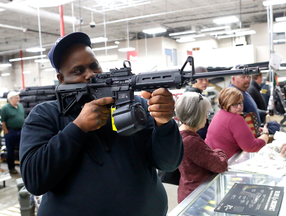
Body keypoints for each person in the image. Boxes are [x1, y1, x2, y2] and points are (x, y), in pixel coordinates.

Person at [19, 32, 183, 216]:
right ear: (62, 79)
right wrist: (78, 128)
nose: (90, 74)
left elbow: (169, 163)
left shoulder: (135, 104)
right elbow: (35, 181)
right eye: (78, 71)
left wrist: (164, 123)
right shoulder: (45, 114)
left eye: (94, 65)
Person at [176, 92, 228, 203]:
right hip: (197, 197)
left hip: (187, 191)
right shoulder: (191, 141)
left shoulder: (179, 133)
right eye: (206, 113)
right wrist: (219, 152)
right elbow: (220, 165)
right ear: (197, 115)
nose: (206, 117)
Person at [205, 87, 269, 159]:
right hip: (224, 163)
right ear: (224, 104)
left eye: (240, 103)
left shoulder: (219, 114)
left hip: (212, 160)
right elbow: (252, 147)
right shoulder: (235, 118)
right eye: (234, 104)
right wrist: (265, 134)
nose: (239, 107)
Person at [1, 91, 26, 174]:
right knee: (10, 151)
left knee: (22, 149)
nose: (18, 98)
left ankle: (23, 167)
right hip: (10, 132)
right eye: (16, 97)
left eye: (18, 97)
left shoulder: (20, 106)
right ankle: (11, 168)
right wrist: (6, 132)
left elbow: (24, 118)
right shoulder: (5, 108)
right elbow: (3, 121)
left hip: (20, 131)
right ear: (11, 99)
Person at [185, 66, 210, 140]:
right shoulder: (193, 97)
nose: (205, 82)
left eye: (206, 78)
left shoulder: (194, 94)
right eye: (200, 79)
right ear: (193, 80)